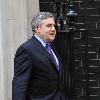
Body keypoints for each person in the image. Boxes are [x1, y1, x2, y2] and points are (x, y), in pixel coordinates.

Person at [12, 12, 67, 100]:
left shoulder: (51, 47)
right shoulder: (26, 49)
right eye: (49, 26)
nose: (53, 29)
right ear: (37, 28)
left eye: (54, 25)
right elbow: (20, 84)